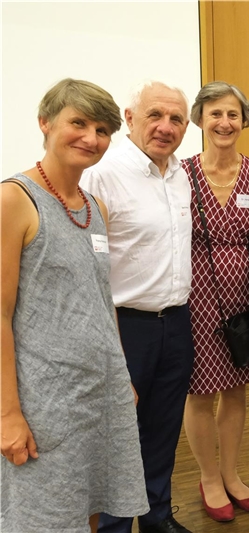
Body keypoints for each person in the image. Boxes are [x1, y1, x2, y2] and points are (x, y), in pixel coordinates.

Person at [0, 79, 148, 532]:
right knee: (41, 515)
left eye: (103, 129)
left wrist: (121, 375)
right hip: (45, 400)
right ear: (45, 123)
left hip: (100, 394)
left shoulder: (95, 208)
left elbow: (102, 302)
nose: (91, 138)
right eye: (78, 123)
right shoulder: (14, 200)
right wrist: (7, 413)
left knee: (89, 505)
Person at [81, 81, 195, 533]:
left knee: (165, 429)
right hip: (125, 326)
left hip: (176, 321)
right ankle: (112, 526)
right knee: (118, 437)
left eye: (176, 120)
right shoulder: (103, 175)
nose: (165, 128)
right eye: (155, 116)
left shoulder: (180, 173)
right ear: (130, 117)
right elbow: (90, 266)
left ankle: (156, 515)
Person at [181, 82, 249, 523]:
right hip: (194, 299)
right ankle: (209, 477)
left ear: (244, 120)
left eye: (233, 114)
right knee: (199, 393)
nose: (225, 123)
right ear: (200, 119)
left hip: (244, 302)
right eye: (215, 113)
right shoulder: (179, 173)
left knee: (235, 391)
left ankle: (232, 474)